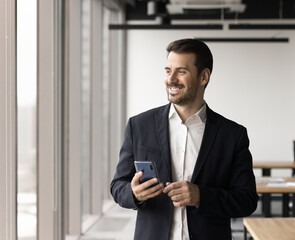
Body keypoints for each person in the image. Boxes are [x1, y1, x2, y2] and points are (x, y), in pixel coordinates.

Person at [110, 38, 258, 240]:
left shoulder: (232, 135)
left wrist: (200, 196)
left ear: (203, 76)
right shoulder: (139, 126)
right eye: (168, 71)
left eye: (181, 72)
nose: (171, 79)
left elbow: (247, 200)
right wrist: (133, 193)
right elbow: (118, 185)